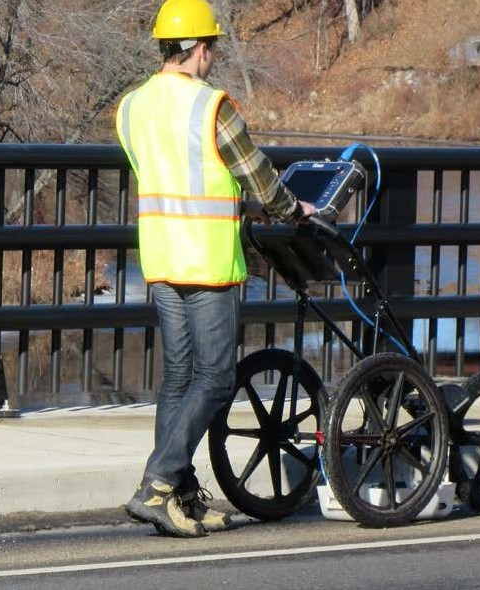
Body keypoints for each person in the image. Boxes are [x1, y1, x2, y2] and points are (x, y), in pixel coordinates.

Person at [115, 0, 316, 538]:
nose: (214, 58)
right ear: (200, 49)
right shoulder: (211, 106)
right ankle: (157, 485)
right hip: (205, 259)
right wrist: (292, 210)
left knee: (178, 378)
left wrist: (234, 200)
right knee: (215, 377)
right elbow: (256, 172)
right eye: (213, 49)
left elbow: (175, 176)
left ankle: (179, 498)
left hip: (159, 257)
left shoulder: (130, 107)